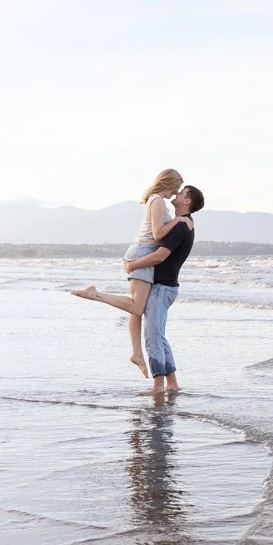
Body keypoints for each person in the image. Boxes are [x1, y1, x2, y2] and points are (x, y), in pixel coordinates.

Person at [71, 169, 184, 376]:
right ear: (169, 182)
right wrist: (178, 220)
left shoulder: (154, 199)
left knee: (136, 307)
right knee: (136, 306)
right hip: (142, 254)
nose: (176, 193)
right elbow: (158, 233)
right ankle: (94, 294)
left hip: (141, 253)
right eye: (176, 187)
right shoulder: (158, 200)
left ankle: (136, 353)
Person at [124, 185, 205, 396]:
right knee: (159, 336)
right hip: (167, 287)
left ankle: (158, 387)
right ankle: (172, 383)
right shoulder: (181, 224)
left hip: (162, 288)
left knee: (152, 337)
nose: (177, 194)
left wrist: (133, 265)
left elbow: (160, 256)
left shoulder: (181, 226)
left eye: (181, 192)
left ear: (187, 201)